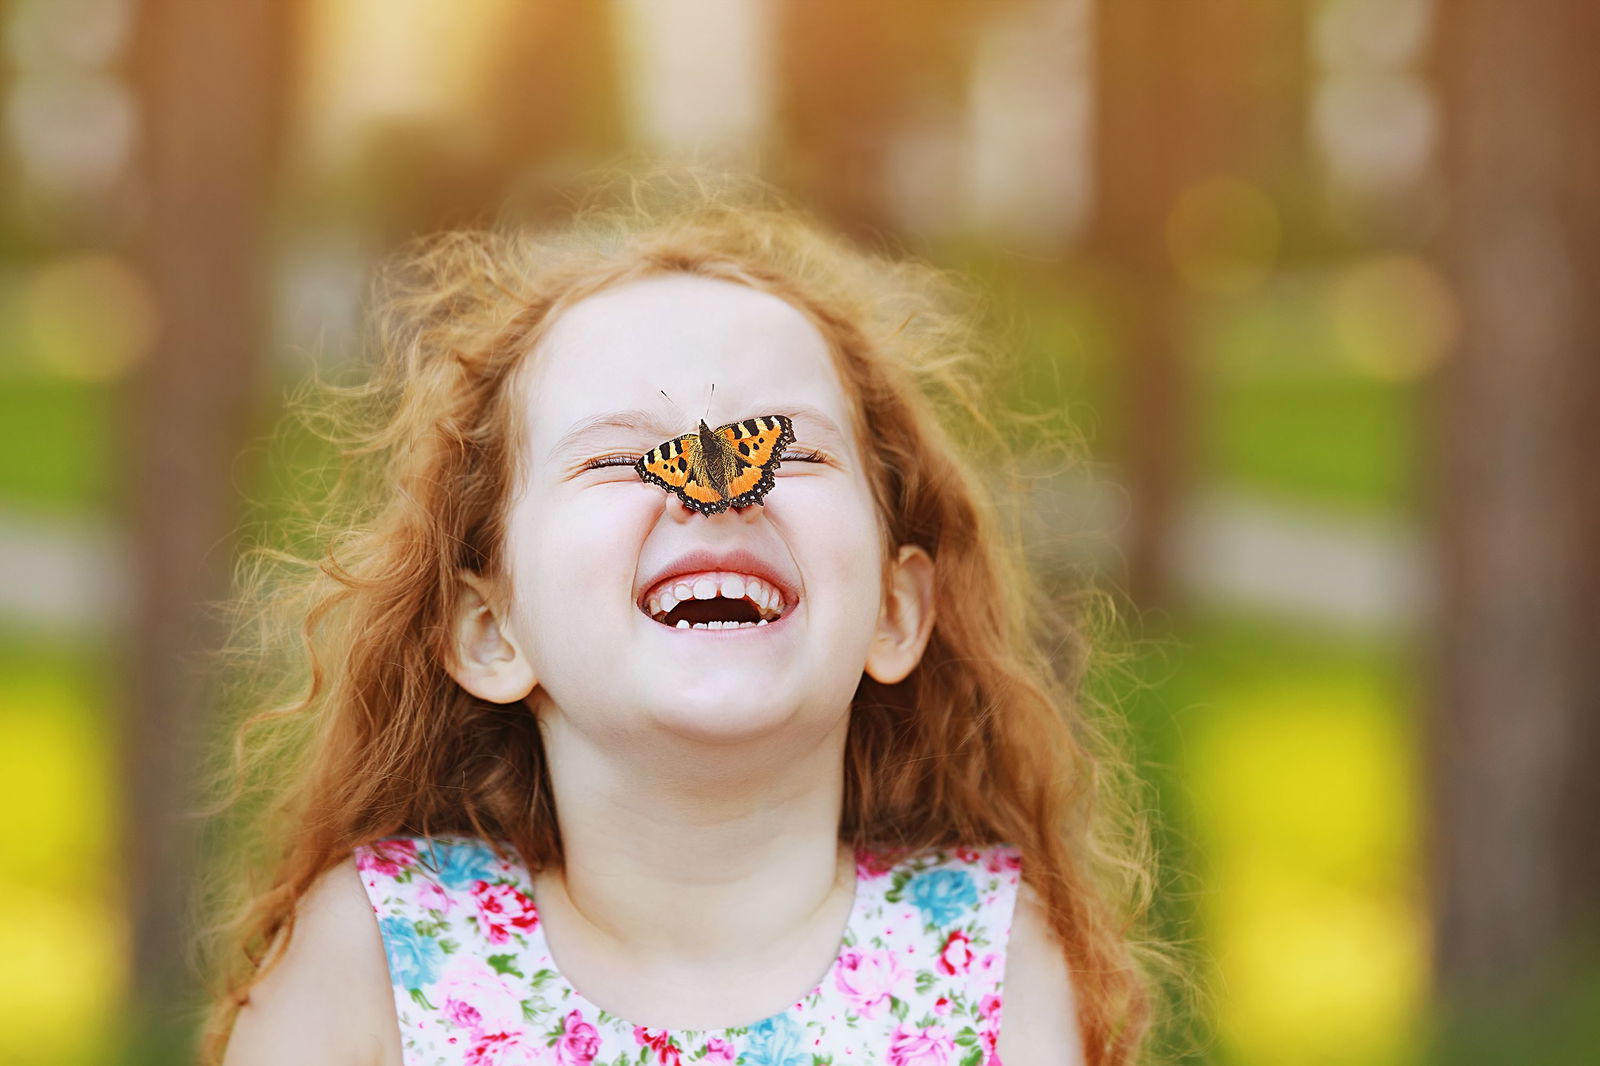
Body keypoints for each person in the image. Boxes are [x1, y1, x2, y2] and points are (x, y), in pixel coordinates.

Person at [203, 174, 1166, 1066]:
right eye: (622, 461)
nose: (716, 497)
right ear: (491, 631)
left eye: (783, 453)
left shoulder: (987, 965)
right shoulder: (378, 953)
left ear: (896, 611)